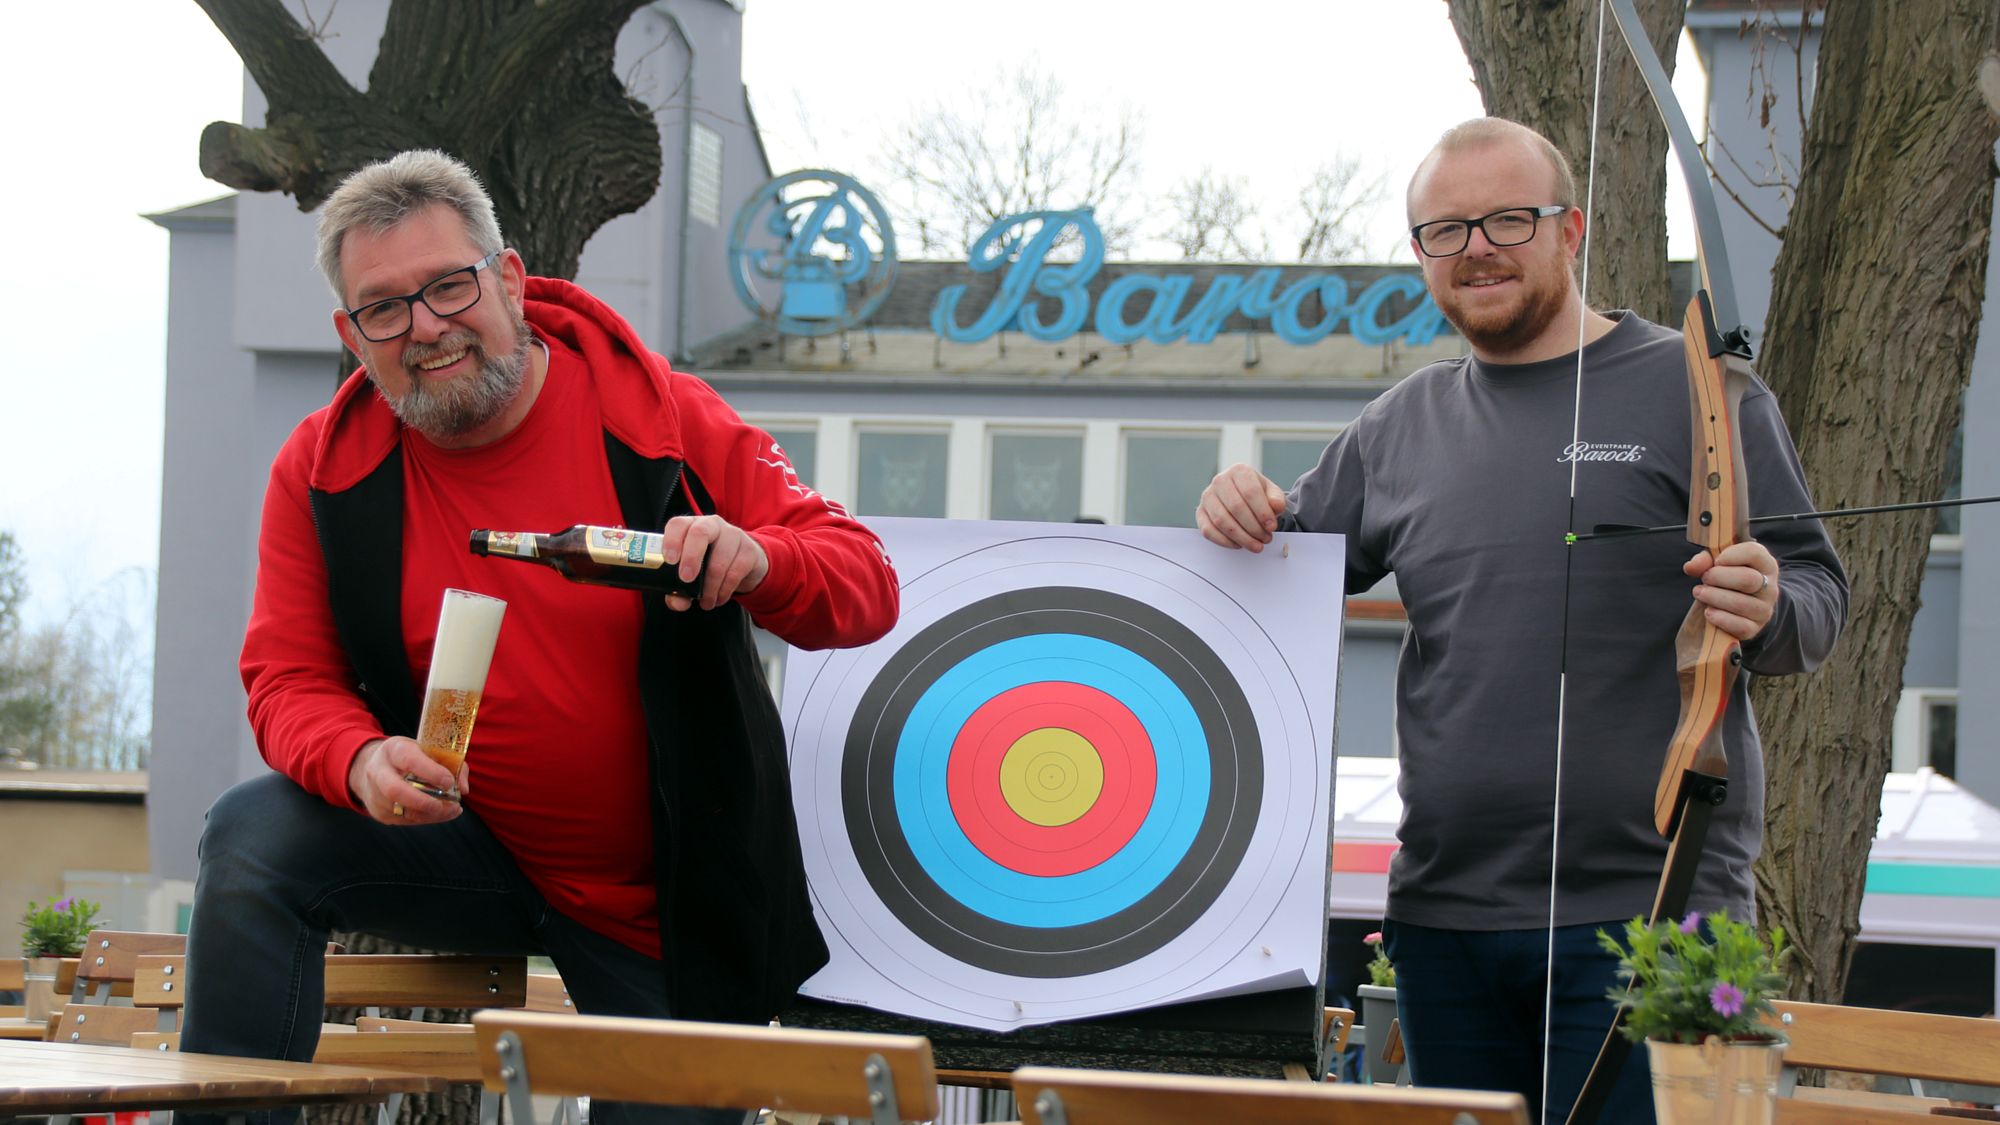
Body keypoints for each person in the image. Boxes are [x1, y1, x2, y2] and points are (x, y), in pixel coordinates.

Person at [182, 150, 900, 1124]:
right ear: (352, 335)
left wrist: (759, 559)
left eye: (447, 286)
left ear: (509, 281)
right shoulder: (321, 467)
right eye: (385, 309)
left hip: (660, 906)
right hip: (453, 850)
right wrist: (359, 763)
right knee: (252, 835)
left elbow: (866, 585)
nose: (425, 328)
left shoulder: (660, 417)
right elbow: (284, 679)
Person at [1198, 118, 1847, 1122]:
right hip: (1443, 920)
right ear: (1419, 255)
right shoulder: (1396, 426)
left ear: (1571, 228)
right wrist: (1232, 510)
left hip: (1656, 914)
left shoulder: (1697, 389)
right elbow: (1275, 577)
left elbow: (1815, 594)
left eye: (1507, 219)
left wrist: (1764, 603)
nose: (1475, 251)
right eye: (1443, 232)